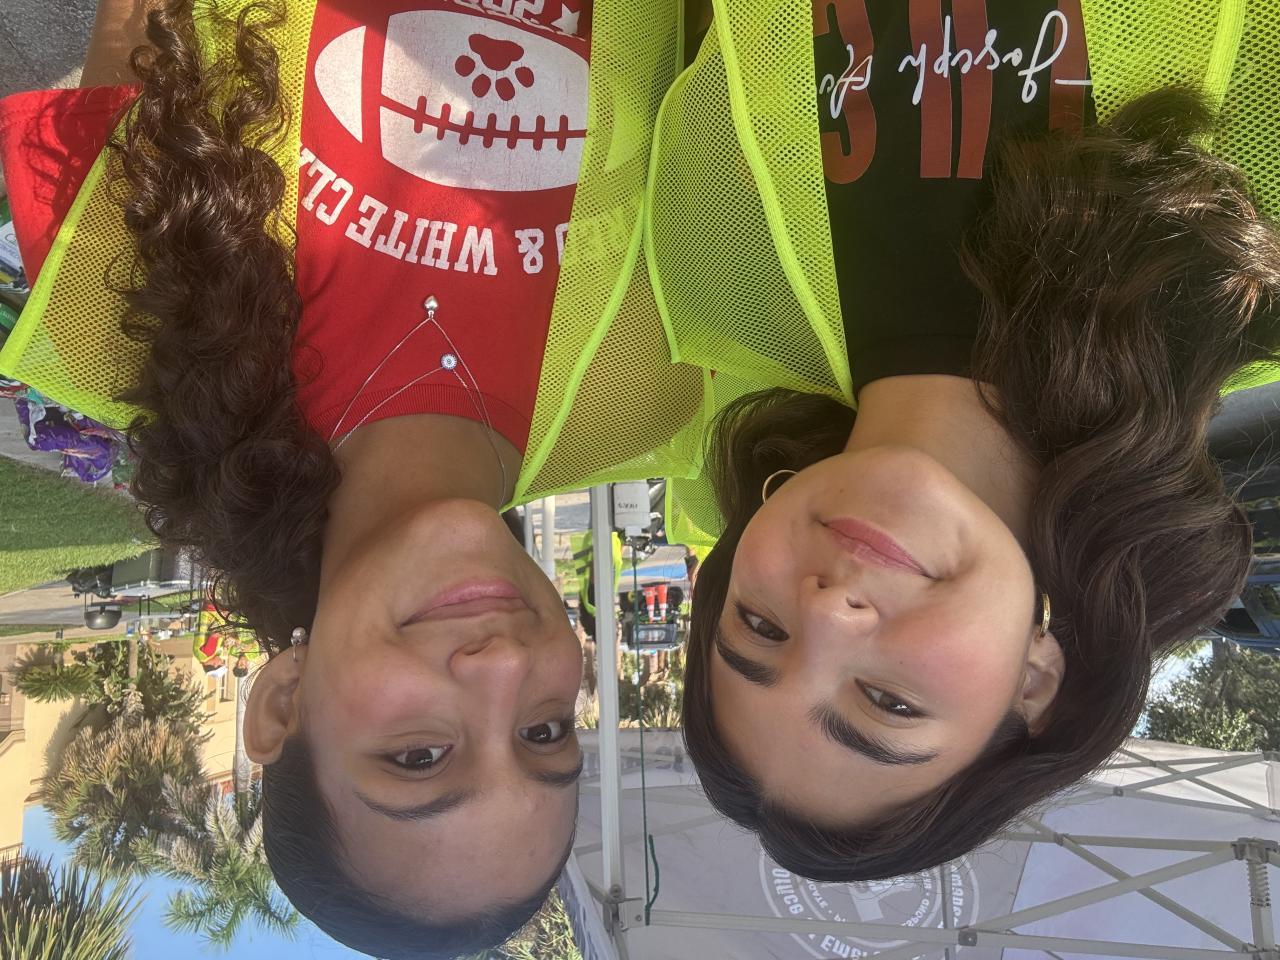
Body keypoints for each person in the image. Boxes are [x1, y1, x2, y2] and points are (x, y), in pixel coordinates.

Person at [0, 0, 700, 955]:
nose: (502, 669)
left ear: (283, 704)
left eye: (420, 755)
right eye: (545, 733)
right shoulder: (656, 381)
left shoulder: (124, 318)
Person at [651, 0, 1280, 881]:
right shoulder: (1240, 283)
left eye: (759, 627)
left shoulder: (715, 257)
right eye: (887, 701)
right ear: (1034, 683)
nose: (828, 615)